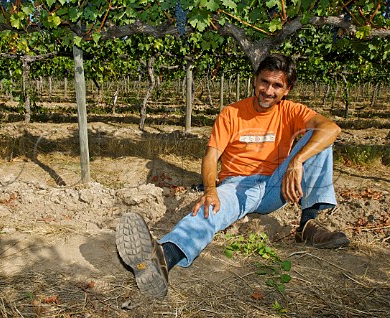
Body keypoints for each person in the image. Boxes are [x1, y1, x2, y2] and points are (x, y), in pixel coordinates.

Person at [115, 53, 350, 298]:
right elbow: (210, 156)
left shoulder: (291, 111)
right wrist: (210, 190)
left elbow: (332, 128)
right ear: (255, 80)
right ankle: (164, 257)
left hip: (275, 186)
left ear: (287, 89)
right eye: (264, 82)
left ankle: (308, 224)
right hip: (237, 186)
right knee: (210, 209)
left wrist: (297, 161)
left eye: (277, 85)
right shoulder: (232, 113)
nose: (268, 90)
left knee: (321, 136)